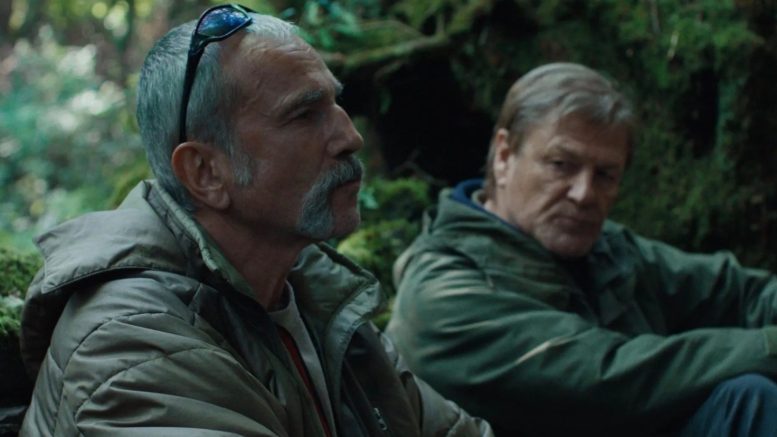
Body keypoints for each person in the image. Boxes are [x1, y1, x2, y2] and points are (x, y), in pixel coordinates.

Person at [17, 5, 493, 436]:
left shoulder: (315, 298)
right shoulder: (131, 345)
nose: (350, 137)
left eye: (336, 104)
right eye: (304, 115)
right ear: (205, 173)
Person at [386, 62, 777, 436]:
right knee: (749, 401)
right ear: (504, 156)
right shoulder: (442, 295)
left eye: (605, 174)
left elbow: (740, 293)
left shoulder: (607, 250)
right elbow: (606, 379)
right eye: (561, 164)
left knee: (743, 399)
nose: (584, 193)